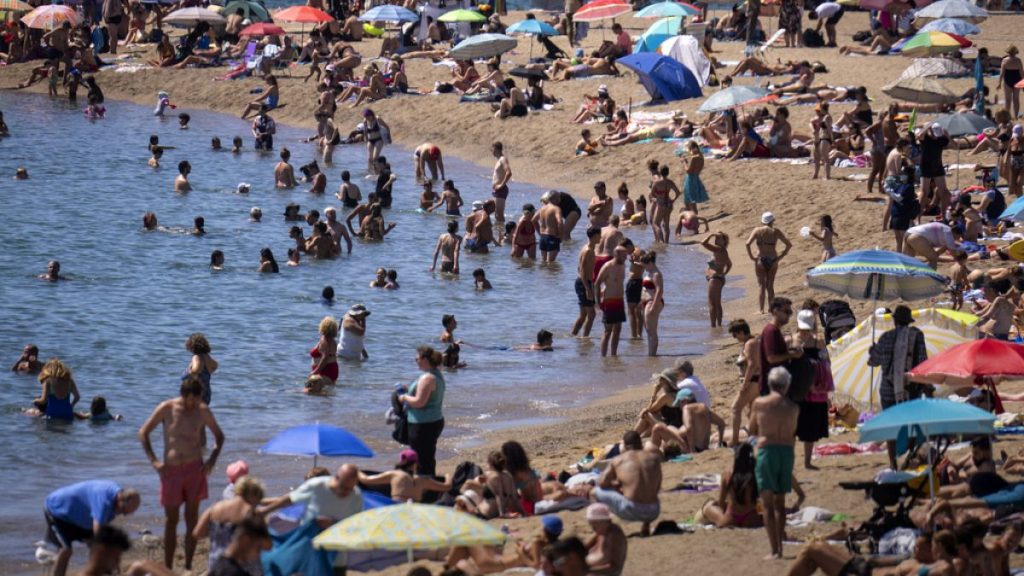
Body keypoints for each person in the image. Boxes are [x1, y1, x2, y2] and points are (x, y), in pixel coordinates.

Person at [139, 378, 225, 570]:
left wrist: (212, 460)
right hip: (171, 471)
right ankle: (168, 568)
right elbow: (143, 433)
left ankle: (187, 565)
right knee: (171, 521)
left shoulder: (202, 411)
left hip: (195, 470)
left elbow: (219, 436)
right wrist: (154, 461)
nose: (193, 404)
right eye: (191, 400)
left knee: (192, 519)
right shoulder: (167, 408)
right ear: (184, 395)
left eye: (197, 400)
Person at [868, 305, 929, 468]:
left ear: (894, 321)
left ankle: (893, 463)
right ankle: (911, 455)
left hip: (888, 389)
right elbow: (923, 361)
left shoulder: (885, 338)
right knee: (912, 422)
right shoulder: (916, 335)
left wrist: (872, 351)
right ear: (908, 321)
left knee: (891, 426)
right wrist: (927, 385)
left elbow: (874, 362)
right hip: (911, 388)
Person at [749, 367, 799, 560]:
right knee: (780, 503)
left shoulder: (760, 403)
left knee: (767, 505)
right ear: (786, 385)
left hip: (768, 451)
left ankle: (774, 550)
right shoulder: (793, 407)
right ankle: (781, 546)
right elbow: (792, 432)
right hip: (786, 452)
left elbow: (752, 429)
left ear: (770, 384)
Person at [42, 480, 141, 576]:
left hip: (80, 517)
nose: (122, 514)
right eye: (123, 511)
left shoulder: (116, 502)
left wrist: (114, 560)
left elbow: (103, 535)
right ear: (120, 498)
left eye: (126, 514)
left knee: (94, 545)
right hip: (57, 511)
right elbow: (99, 534)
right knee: (66, 550)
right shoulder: (103, 500)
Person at [585, 431, 662, 536]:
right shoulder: (653, 458)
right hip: (654, 510)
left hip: (631, 509)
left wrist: (617, 486)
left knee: (594, 492)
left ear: (624, 446)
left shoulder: (619, 460)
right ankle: (646, 525)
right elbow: (656, 486)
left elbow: (602, 483)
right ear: (641, 443)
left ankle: (603, 529)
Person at [193, 476, 266, 575]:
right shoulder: (251, 512)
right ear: (252, 494)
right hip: (243, 568)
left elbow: (197, 533)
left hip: (216, 564)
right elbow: (266, 543)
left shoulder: (214, 508)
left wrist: (217, 533)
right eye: (258, 497)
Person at [260, 464, 362, 530]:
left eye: (350, 489)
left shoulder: (356, 495)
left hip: (337, 551)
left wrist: (334, 523)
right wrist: (265, 511)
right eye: (343, 487)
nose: (346, 492)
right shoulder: (316, 485)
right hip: (309, 544)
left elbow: (356, 523)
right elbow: (289, 499)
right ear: (336, 478)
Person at [790, 310, 830, 470]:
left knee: (809, 429)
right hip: (797, 389)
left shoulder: (817, 341)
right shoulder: (791, 341)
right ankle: (791, 461)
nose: (806, 332)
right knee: (793, 428)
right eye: (803, 329)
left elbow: (826, 363)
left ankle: (807, 462)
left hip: (812, 392)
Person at [397, 346, 446, 477]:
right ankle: (428, 486)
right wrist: (409, 389)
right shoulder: (435, 374)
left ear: (425, 359)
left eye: (417, 358)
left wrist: (404, 397)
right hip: (433, 421)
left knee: (421, 459)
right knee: (427, 457)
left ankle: (425, 489)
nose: (415, 361)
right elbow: (426, 395)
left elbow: (420, 402)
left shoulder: (428, 378)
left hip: (423, 424)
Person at [358, 449, 452, 502]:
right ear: (415, 464)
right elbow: (446, 487)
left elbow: (366, 480)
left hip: (397, 508)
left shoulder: (395, 475)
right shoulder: (423, 480)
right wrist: (448, 476)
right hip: (415, 511)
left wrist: (356, 471)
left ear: (401, 461)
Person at [745, 212, 792, 314]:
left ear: (762, 221)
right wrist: (781, 256)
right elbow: (789, 244)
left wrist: (751, 257)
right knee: (770, 285)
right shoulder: (776, 231)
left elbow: (747, 243)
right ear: (772, 221)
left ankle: (761, 310)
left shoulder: (757, 230)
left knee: (761, 285)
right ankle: (772, 309)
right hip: (773, 259)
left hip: (760, 259)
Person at [760, 297, 802, 397]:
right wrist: (791, 354)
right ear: (775, 311)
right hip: (771, 386)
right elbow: (771, 358)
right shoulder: (771, 331)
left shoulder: (775, 330)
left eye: (790, 312)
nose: (789, 315)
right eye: (786, 312)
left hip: (776, 384)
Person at [729, 320, 760, 447]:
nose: (735, 338)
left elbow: (752, 365)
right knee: (751, 411)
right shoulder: (756, 341)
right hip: (758, 380)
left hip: (753, 381)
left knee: (735, 408)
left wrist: (744, 384)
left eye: (735, 335)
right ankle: (754, 436)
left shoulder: (749, 344)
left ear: (741, 332)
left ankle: (734, 440)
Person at [207, 516, 272, 576]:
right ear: (246, 540)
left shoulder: (220, 565)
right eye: (258, 548)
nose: (258, 555)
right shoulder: (231, 572)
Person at [595, 246, 628, 357]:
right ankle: (603, 356)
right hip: (609, 301)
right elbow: (597, 283)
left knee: (618, 329)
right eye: (623, 255)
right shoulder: (608, 266)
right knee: (608, 331)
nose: (626, 257)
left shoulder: (623, 265)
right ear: (616, 255)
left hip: (619, 301)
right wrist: (598, 301)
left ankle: (614, 355)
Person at [583, 503, 627, 576]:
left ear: (606, 521)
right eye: (591, 524)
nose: (593, 528)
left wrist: (586, 571)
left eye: (595, 523)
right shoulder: (601, 531)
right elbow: (583, 548)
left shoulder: (615, 536)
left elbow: (615, 567)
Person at [573, 227, 600, 337]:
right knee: (592, 315)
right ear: (594, 236)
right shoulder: (587, 250)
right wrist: (588, 288)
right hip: (584, 283)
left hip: (585, 282)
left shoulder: (590, 248)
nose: (601, 238)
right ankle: (585, 338)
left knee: (583, 315)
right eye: (599, 235)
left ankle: (573, 335)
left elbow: (580, 268)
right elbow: (582, 270)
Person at [702, 231, 731, 328]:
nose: (716, 239)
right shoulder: (724, 251)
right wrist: (723, 273)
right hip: (719, 278)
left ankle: (713, 326)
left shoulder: (718, 249)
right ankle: (719, 324)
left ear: (724, 241)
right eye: (716, 238)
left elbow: (703, 243)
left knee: (712, 303)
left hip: (714, 279)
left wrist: (711, 234)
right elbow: (729, 264)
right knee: (717, 303)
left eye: (719, 238)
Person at [639, 252, 664, 357]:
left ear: (649, 263)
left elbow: (659, 290)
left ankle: (653, 355)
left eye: (644, 264)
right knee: (648, 331)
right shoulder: (649, 272)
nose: (643, 267)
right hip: (645, 302)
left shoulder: (656, 274)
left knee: (652, 331)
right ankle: (650, 353)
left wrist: (654, 305)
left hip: (652, 302)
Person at [182, 333, 217, 406]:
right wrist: (208, 371)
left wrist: (190, 372)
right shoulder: (207, 357)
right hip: (206, 392)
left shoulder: (196, 357)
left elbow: (196, 369)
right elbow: (216, 365)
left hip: (195, 394)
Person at [310, 316, 339, 385]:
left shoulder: (324, 340)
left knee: (308, 388)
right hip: (332, 370)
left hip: (325, 371)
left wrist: (315, 371)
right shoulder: (333, 341)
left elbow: (325, 357)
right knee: (325, 393)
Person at [536, 192, 564, 263]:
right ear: (554, 198)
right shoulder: (556, 209)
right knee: (550, 263)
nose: (560, 199)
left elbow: (533, 220)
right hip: (552, 237)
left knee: (543, 261)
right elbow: (560, 222)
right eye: (559, 197)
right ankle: (551, 274)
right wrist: (560, 236)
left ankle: (542, 274)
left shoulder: (542, 208)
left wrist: (539, 232)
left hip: (542, 237)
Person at [999, 45, 1022, 120]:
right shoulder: (1018, 60)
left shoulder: (1005, 60)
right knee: (1016, 99)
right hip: (1017, 80)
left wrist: (999, 83)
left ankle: (1007, 117)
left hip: (1007, 81)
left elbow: (1002, 73)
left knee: (1007, 100)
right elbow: (1022, 73)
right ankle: (1015, 116)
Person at [491, 142, 512, 225]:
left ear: (496, 149)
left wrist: (501, 185)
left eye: (492, 149)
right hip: (496, 190)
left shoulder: (503, 159)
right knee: (497, 214)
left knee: (499, 215)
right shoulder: (499, 160)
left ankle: (502, 234)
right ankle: (499, 234)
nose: (491, 152)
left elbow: (509, 173)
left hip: (501, 189)